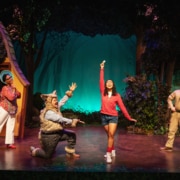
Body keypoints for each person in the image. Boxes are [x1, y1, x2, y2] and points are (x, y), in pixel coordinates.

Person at [30, 82, 85, 159]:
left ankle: (70, 153)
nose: (56, 101)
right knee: (47, 155)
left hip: (59, 132)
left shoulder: (55, 108)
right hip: (49, 136)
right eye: (54, 100)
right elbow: (60, 119)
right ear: (49, 102)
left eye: (56, 99)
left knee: (71, 135)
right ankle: (35, 151)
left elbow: (62, 101)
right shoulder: (48, 112)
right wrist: (72, 121)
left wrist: (70, 91)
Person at [99, 60, 137, 163]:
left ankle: (108, 154)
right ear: (106, 85)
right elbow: (101, 81)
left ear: (113, 84)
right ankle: (112, 149)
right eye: (107, 82)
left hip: (113, 117)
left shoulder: (117, 96)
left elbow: (123, 107)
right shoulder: (103, 92)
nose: (109, 83)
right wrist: (102, 69)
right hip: (103, 116)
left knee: (111, 135)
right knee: (109, 135)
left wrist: (129, 118)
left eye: (111, 82)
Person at [0, 70, 21, 149]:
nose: (11, 79)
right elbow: (11, 97)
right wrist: (14, 90)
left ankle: (9, 143)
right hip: (5, 109)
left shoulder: (12, 87)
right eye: (8, 78)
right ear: (5, 81)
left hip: (12, 110)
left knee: (10, 126)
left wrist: (14, 89)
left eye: (10, 77)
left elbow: (19, 95)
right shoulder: (5, 88)